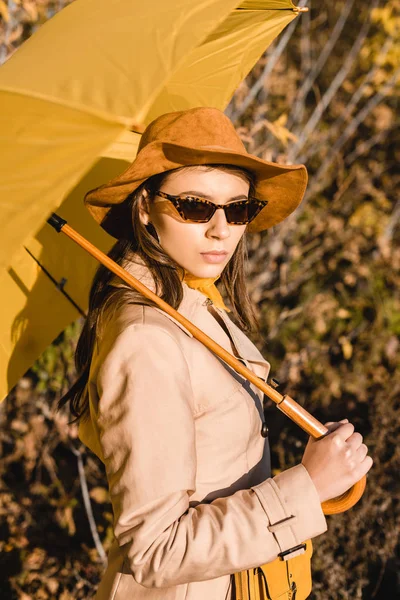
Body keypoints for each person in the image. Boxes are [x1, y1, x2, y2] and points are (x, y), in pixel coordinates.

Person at [58, 107, 373, 600]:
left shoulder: (194, 305)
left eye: (239, 208)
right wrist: (306, 485)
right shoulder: (147, 339)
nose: (221, 229)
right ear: (144, 207)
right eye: (194, 206)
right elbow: (155, 550)